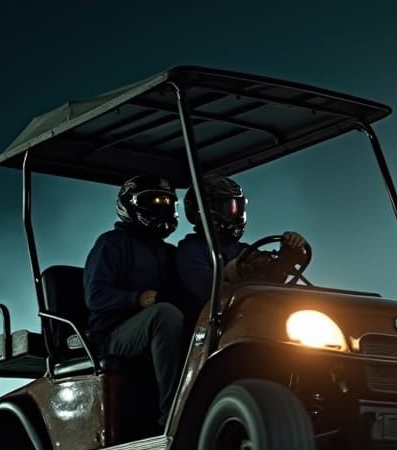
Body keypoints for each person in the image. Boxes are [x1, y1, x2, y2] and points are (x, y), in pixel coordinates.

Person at [84, 175, 185, 425]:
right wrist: (135, 299)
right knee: (165, 315)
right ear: (130, 205)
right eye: (153, 202)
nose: (161, 208)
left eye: (167, 203)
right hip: (112, 335)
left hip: (148, 330)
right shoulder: (111, 244)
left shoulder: (170, 253)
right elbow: (95, 296)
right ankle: (174, 412)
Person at [176, 174, 309, 312]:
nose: (235, 214)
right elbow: (202, 286)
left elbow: (272, 278)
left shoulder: (244, 249)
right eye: (227, 208)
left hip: (248, 315)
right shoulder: (190, 249)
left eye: (238, 207)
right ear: (200, 211)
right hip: (212, 323)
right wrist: (229, 274)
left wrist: (287, 256)